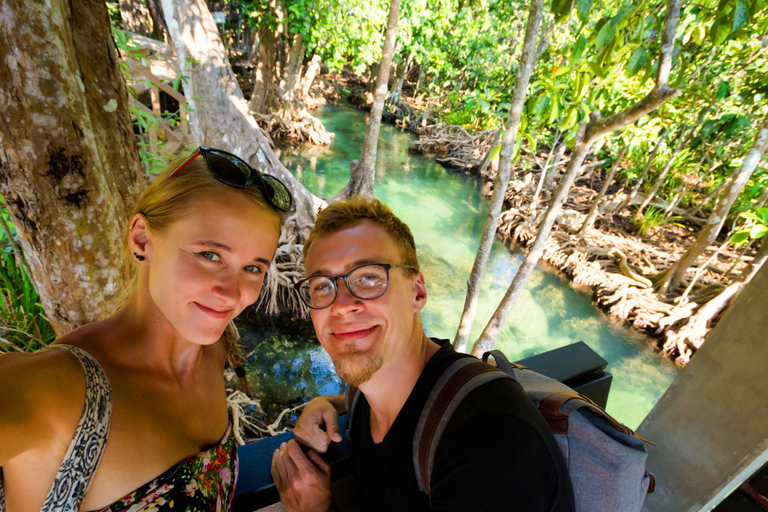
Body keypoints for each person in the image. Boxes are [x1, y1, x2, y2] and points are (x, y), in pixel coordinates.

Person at [0, 146, 292, 512]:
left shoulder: (214, 352)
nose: (232, 294)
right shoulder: (60, 390)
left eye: (252, 268)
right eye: (210, 255)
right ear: (142, 240)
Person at [271, 197, 575, 512]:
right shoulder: (367, 395)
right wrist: (326, 403)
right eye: (322, 286)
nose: (341, 305)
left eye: (368, 277)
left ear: (417, 292)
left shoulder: (487, 443)